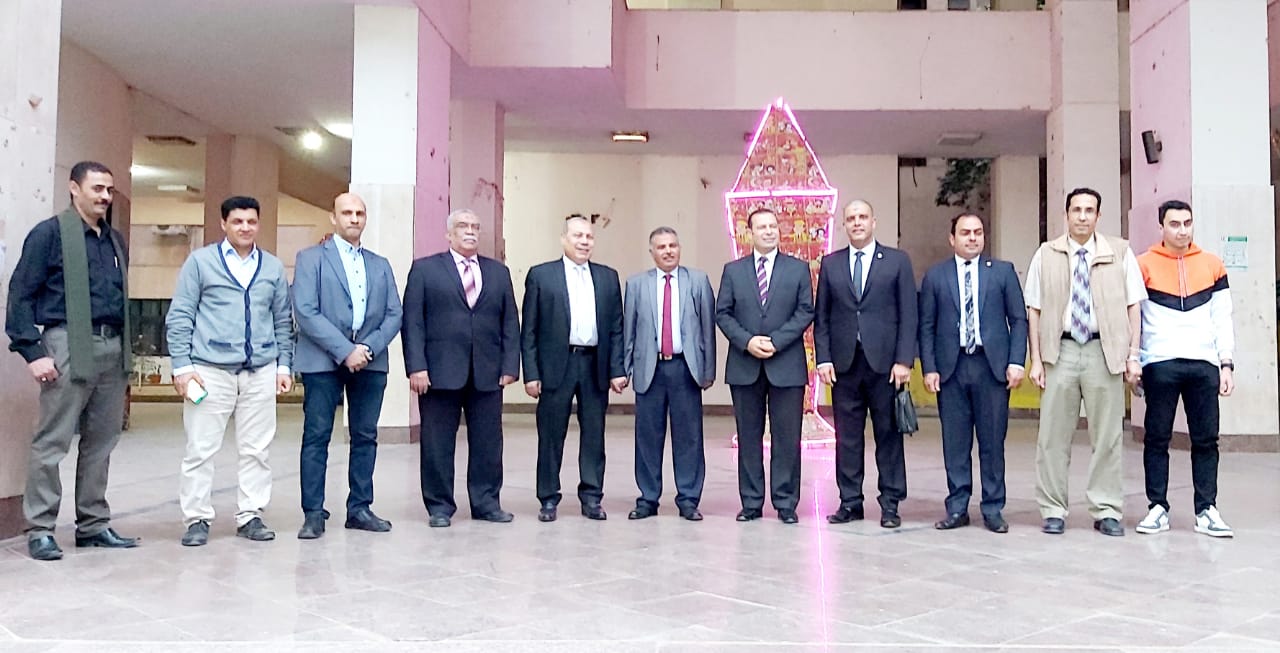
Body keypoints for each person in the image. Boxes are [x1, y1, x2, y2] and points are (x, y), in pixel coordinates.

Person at [5, 161, 138, 561]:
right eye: (97, 188)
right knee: (53, 440)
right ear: (74, 189)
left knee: (102, 441)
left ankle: (93, 524)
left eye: (109, 190)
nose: (105, 196)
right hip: (66, 344)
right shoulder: (49, 235)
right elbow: (20, 295)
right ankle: (41, 528)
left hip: (112, 346)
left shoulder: (113, 240)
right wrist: (33, 352)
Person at [166, 195, 294, 546]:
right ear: (223, 224)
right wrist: (182, 366)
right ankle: (196, 518)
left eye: (251, 221)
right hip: (209, 371)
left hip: (261, 370)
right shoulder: (200, 262)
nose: (245, 228)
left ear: (258, 224)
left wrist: (284, 365)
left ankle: (251, 515)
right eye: (237, 221)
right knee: (200, 448)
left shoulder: (272, 267)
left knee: (257, 449)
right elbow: (181, 315)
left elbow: (283, 320)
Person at [1025, 187, 1145, 537]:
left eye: (1089, 210)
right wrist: (1036, 359)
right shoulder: (1046, 254)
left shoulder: (1119, 252)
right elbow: (1034, 309)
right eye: (1076, 210)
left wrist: (1133, 355)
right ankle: (1053, 509)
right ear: (1066, 215)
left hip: (1103, 352)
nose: (1082, 216)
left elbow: (1134, 306)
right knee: (1052, 436)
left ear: (1098, 216)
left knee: (1107, 436)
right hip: (1059, 351)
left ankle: (1106, 509)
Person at [292, 192, 403, 539]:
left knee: (365, 436)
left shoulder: (380, 264)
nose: (354, 219)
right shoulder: (311, 259)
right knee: (317, 436)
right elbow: (305, 311)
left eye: (359, 213)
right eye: (347, 213)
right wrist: (344, 351)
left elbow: (394, 313)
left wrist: (367, 348)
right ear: (333, 217)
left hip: (370, 361)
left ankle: (360, 508)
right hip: (322, 361)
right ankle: (313, 513)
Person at [403, 209, 520, 528]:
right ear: (448, 234)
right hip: (439, 372)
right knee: (437, 442)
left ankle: (486, 503)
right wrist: (416, 367)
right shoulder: (425, 269)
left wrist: (510, 364)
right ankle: (439, 506)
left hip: (488, 371)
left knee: (488, 443)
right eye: (462, 226)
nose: (470, 231)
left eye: (475, 226)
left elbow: (510, 321)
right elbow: (412, 322)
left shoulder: (498, 273)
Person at [918, 213, 1027, 534]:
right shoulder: (936, 276)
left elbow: (1018, 319)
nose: (972, 238)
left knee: (992, 442)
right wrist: (930, 367)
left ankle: (993, 507)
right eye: (965, 233)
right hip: (951, 369)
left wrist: (1017, 361)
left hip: (991, 367)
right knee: (955, 443)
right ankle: (957, 506)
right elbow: (926, 325)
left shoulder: (1002, 272)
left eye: (978, 232)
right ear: (952, 238)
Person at [1134, 200, 1235, 538]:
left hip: (1204, 364)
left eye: (1187, 223)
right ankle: (1157, 507)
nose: (1182, 230)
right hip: (1159, 362)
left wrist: (1226, 363)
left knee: (1206, 440)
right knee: (1156, 437)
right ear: (1161, 226)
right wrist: (1135, 360)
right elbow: (1133, 318)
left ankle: (1207, 509)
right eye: (1174, 224)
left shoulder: (1212, 264)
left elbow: (1222, 317)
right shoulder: (1143, 264)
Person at [814, 199, 916, 529]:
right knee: (847, 438)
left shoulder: (897, 261)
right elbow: (822, 317)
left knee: (889, 436)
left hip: (886, 366)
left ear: (874, 222)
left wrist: (904, 360)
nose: (857, 222)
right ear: (843, 225)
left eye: (863, 217)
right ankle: (850, 501)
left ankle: (890, 503)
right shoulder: (831, 264)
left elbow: (909, 314)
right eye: (851, 218)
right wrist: (824, 358)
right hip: (845, 365)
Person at [521, 215, 626, 522]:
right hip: (556, 365)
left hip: (595, 365)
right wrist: (531, 373)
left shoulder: (608, 277)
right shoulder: (542, 275)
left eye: (589, 236)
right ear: (563, 239)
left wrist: (617, 369)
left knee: (594, 434)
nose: (584, 242)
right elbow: (529, 329)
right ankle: (548, 498)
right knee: (551, 435)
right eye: (578, 236)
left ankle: (592, 497)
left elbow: (616, 328)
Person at [715, 208, 814, 524]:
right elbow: (723, 313)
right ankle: (751, 502)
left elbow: (805, 311)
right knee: (748, 437)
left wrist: (775, 341)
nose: (769, 231)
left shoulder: (798, 269)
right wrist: (747, 341)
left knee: (787, 439)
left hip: (786, 364)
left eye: (773, 226)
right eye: (762, 227)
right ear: (749, 233)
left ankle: (786, 502)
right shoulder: (733, 271)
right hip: (745, 365)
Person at [622, 227, 716, 521]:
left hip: (684, 368)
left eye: (673, 245)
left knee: (689, 437)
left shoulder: (697, 281)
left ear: (679, 248)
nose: (668, 251)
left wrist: (708, 370)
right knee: (647, 438)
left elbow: (708, 329)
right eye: (661, 247)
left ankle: (688, 498)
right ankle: (648, 498)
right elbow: (629, 330)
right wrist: (624, 369)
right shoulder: (636, 284)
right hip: (649, 369)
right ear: (652, 252)